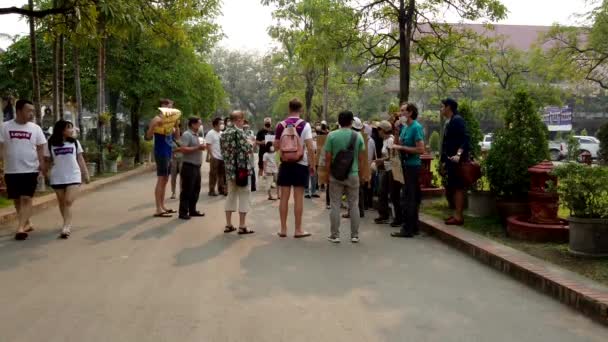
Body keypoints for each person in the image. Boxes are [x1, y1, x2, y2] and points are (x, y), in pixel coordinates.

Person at [0, 99, 47, 240]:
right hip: (11, 169)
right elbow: (1, 147)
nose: (31, 114)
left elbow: (40, 147)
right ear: (19, 111)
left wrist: (42, 164)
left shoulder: (35, 128)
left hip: (30, 169)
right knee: (16, 199)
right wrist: (2, 164)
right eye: (29, 111)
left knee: (26, 198)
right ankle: (26, 222)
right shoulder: (5, 127)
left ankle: (20, 228)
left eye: (33, 111)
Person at [274, 98, 314, 238]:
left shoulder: (281, 125)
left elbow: (276, 146)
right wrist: (312, 164)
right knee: (298, 198)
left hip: (285, 165)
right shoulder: (305, 125)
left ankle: (283, 229)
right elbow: (310, 146)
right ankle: (298, 230)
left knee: (284, 197)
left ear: (289, 108)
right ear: (300, 109)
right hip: (300, 164)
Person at [324, 111, 366, 244]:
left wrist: (327, 174)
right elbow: (361, 159)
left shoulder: (332, 135)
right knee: (354, 204)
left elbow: (328, 158)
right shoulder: (358, 136)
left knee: (335, 204)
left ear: (338, 121)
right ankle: (355, 235)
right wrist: (360, 174)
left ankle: (335, 235)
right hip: (353, 174)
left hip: (336, 175)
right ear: (351, 122)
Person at [44, 120, 90, 238]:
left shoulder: (74, 143)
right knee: (62, 202)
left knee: (68, 201)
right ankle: (66, 223)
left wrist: (86, 174)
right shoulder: (50, 143)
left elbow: (80, 159)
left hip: (73, 175)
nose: (72, 130)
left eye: (72, 128)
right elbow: (48, 161)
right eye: (69, 128)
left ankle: (66, 226)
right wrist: (45, 174)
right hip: (57, 176)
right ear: (62, 130)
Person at [390, 104, 425, 238]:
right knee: (411, 197)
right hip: (404, 165)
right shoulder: (405, 128)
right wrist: (397, 132)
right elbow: (399, 144)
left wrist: (402, 148)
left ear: (410, 113)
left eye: (403, 111)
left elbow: (421, 149)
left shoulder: (416, 127)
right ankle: (413, 226)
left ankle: (407, 229)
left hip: (412, 166)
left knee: (408, 198)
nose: (400, 113)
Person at [221, 111, 255, 235]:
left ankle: (228, 224)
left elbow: (223, 151)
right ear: (239, 119)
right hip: (241, 169)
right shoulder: (239, 132)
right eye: (242, 119)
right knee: (244, 195)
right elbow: (248, 149)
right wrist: (251, 142)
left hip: (230, 169)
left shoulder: (224, 133)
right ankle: (242, 225)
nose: (243, 122)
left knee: (231, 195)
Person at [146, 99, 181, 218]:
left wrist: (176, 125)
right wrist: (153, 127)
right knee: (161, 179)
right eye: (167, 106)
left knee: (165, 179)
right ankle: (158, 209)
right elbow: (148, 136)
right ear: (162, 107)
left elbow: (177, 137)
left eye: (171, 106)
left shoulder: (171, 121)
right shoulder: (156, 119)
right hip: (160, 152)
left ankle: (162, 205)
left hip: (169, 152)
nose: (170, 108)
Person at [440, 98, 470, 226]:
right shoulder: (449, 121)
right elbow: (446, 143)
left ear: (449, 107)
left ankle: (458, 217)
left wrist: (458, 154)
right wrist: (442, 161)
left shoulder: (458, 120)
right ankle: (456, 214)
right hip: (450, 160)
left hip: (457, 161)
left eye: (442, 106)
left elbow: (465, 138)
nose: (440, 109)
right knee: (453, 187)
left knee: (458, 187)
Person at [176, 117, 206, 220]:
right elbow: (183, 149)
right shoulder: (187, 135)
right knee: (187, 190)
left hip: (197, 166)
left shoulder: (196, 135)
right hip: (189, 166)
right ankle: (183, 212)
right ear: (193, 124)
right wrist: (197, 148)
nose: (200, 126)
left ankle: (192, 210)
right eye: (199, 124)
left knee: (196, 189)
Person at [374, 120, 402, 226]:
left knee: (394, 194)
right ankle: (384, 215)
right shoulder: (385, 141)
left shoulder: (390, 140)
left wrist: (381, 160)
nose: (377, 132)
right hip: (387, 169)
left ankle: (398, 218)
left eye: (379, 129)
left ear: (383, 130)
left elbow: (393, 155)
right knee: (382, 191)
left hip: (394, 169)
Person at [206, 117, 226, 196]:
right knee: (213, 174)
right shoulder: (210, 133)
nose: (222, 125)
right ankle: (211, 190)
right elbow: (208, 145)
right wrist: (212, 156)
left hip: (221, 157)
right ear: (215, 125)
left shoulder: (221, 133)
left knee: (221, 174)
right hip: (215, 157)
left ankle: (220, 189)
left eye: (222, 123)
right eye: (220, 123)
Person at [243, 120, 257, 192]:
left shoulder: (251, 132)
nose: (245, 125)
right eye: (244, 124)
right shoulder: (240, 132)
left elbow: (254, 141)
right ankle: (244, 185)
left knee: (252, 168)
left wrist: (253, 147)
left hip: (250, 154)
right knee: (243, 169)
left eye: (246, 124)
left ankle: (253, 186)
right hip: (243, 154)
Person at [169, 133, 183, 200]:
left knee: (182, 177)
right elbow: (169, 150)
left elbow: (185, 149)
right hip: (173, 160)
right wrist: (179, 149)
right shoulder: (170, 140)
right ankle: (173, 193)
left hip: (182, 159)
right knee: (173, 177)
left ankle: (181, 192)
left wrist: (177, 149)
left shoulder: (183, 139)